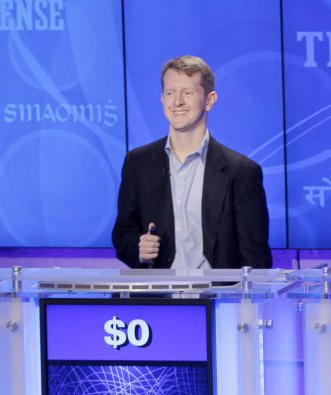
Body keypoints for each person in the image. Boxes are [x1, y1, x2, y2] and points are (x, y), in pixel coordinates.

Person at [112, 55, 272, 269]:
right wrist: (139, 250)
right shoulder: (138, 163)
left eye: (187, 92)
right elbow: (123, 234)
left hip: (218, 290)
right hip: (160, 290)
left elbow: (256, 259)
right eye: (170, 93)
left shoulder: (242, 172)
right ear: (162, 99)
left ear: (209, 100)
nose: (177, 101)